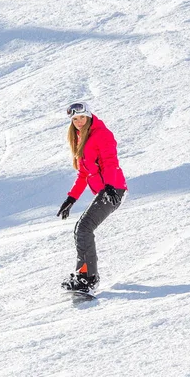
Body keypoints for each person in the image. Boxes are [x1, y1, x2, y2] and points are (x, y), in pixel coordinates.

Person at [57, 101, 128, 293]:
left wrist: (111, 186)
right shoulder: (81, 138)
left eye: (81, 117)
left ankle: (88, 278)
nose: (79, 122)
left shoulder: (101, 134)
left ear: (88, 116)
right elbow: (83, 174)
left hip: (113, 189)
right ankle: (84, 275)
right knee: (82, 229)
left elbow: (111, 162)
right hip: (106, 190)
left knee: (84, 228)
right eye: (74, 119)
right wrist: (71, 199)